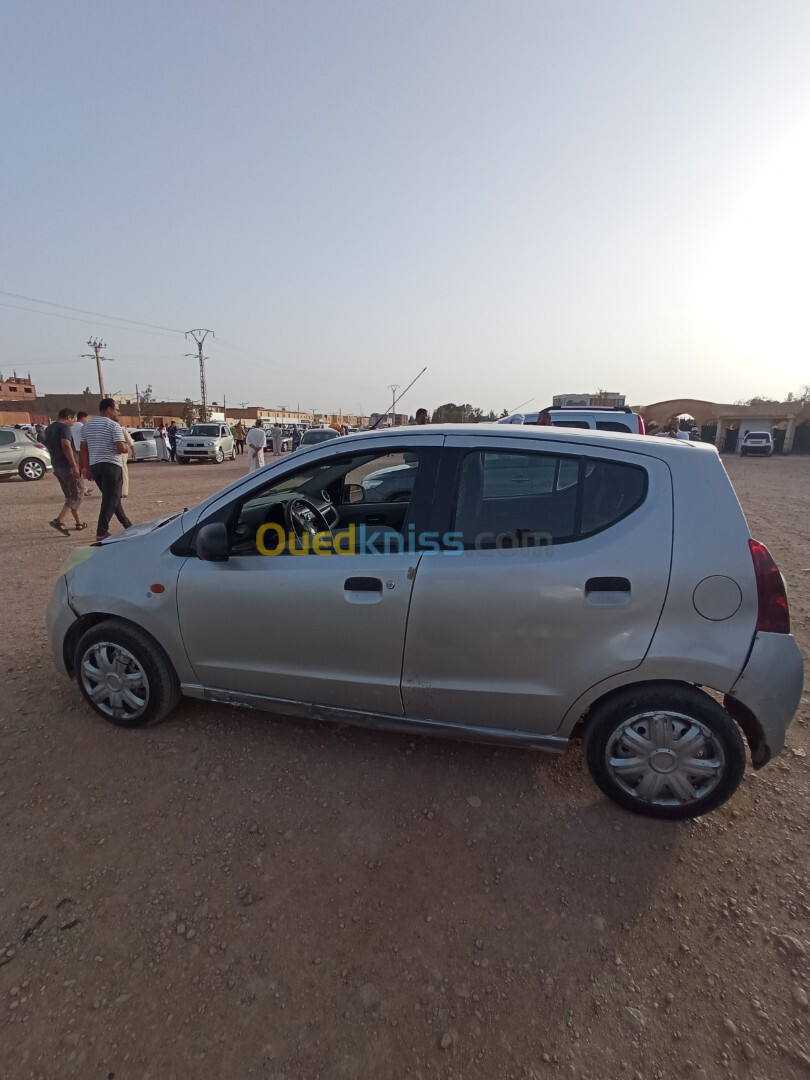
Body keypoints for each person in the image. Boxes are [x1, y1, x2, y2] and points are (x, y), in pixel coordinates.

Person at [79, 398, 133, 542]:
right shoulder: (113, 426)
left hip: (96, 466)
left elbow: (83, 449)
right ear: (109, 409)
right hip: (111, 465)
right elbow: (120, 448)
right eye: (117, 409)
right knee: (110, 498)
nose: (118, 413)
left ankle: (127, 524)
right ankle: (102, 531)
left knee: (112, 498)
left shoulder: (87, 426)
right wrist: (127, 447)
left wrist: (85, 467)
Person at [44, 408, 87, 535]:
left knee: (70, 495)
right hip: (67, 466)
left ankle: (79, 522)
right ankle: (59, 520)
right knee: (77, 494)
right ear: (68, 417)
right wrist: (74, 466)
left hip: (57, 465)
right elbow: (66, 446)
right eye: (73, 418)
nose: (74, 421)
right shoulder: (64, 428)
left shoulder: (49, 428)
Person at [70, 411, 94, 495]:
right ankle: (82, 489)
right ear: (83, 418)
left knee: (78, 469)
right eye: (86, 419)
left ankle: (84, 487)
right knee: (81, 470)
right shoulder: (83, 427)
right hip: (81, 449)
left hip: (73, 449)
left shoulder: (71, 426)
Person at [119, 427, 135, 497]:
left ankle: (123, 492)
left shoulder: (122, 430)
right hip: (111, 453)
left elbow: (130, 442)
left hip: (121, 452)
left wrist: (133, 452)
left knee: (123, 471)